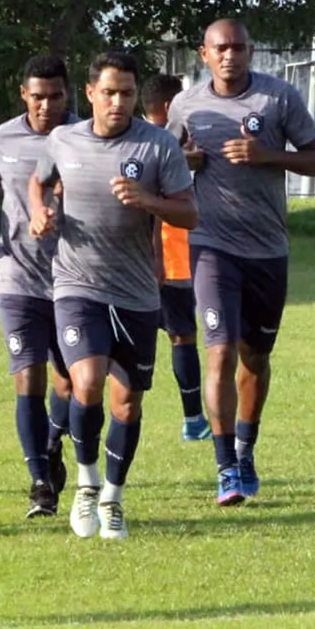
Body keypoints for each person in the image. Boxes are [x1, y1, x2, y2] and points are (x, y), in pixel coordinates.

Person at [29, 51, 197, 539]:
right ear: (90, 94)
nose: (118, 102)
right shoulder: (63, 139)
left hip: (138, 293)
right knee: (87, 382)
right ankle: (85, 484)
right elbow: (37, 183)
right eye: (109, 92)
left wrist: (149, 201)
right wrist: (40, 212)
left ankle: (113, 497)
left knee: (128, 405)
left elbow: (190, 215)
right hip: (76, 285)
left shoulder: (158, 145)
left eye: (126, 93)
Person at [166, 18, 315, 506]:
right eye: (221, 48)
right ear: (204, 54)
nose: (230, 55)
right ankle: (225, 468)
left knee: (255, 358)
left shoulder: (278, 98)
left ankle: (245, 446)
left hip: (268, 250)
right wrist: (185, 160)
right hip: (211, 245)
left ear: (250, 51)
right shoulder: (186, 105)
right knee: (218, 351)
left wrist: (267, 155)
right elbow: (165, 157)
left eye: (238, 47)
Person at [0, 54, 78, 518]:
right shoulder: (2, 137)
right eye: (37, 97)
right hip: (17, 275)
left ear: (68, 94)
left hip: (75, 277)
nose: (46, 106)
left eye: (55, 97)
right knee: (27, 377)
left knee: (71, 382)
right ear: (23, 96)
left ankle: (52, 443)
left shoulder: (83, 138)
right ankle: (38, 483)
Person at [140, 74, 211, 442]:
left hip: (136, 258)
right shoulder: (164, 143)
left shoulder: (132, 140)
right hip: (170, 254)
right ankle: (193, 418)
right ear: (170, 107)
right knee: (183, 336)